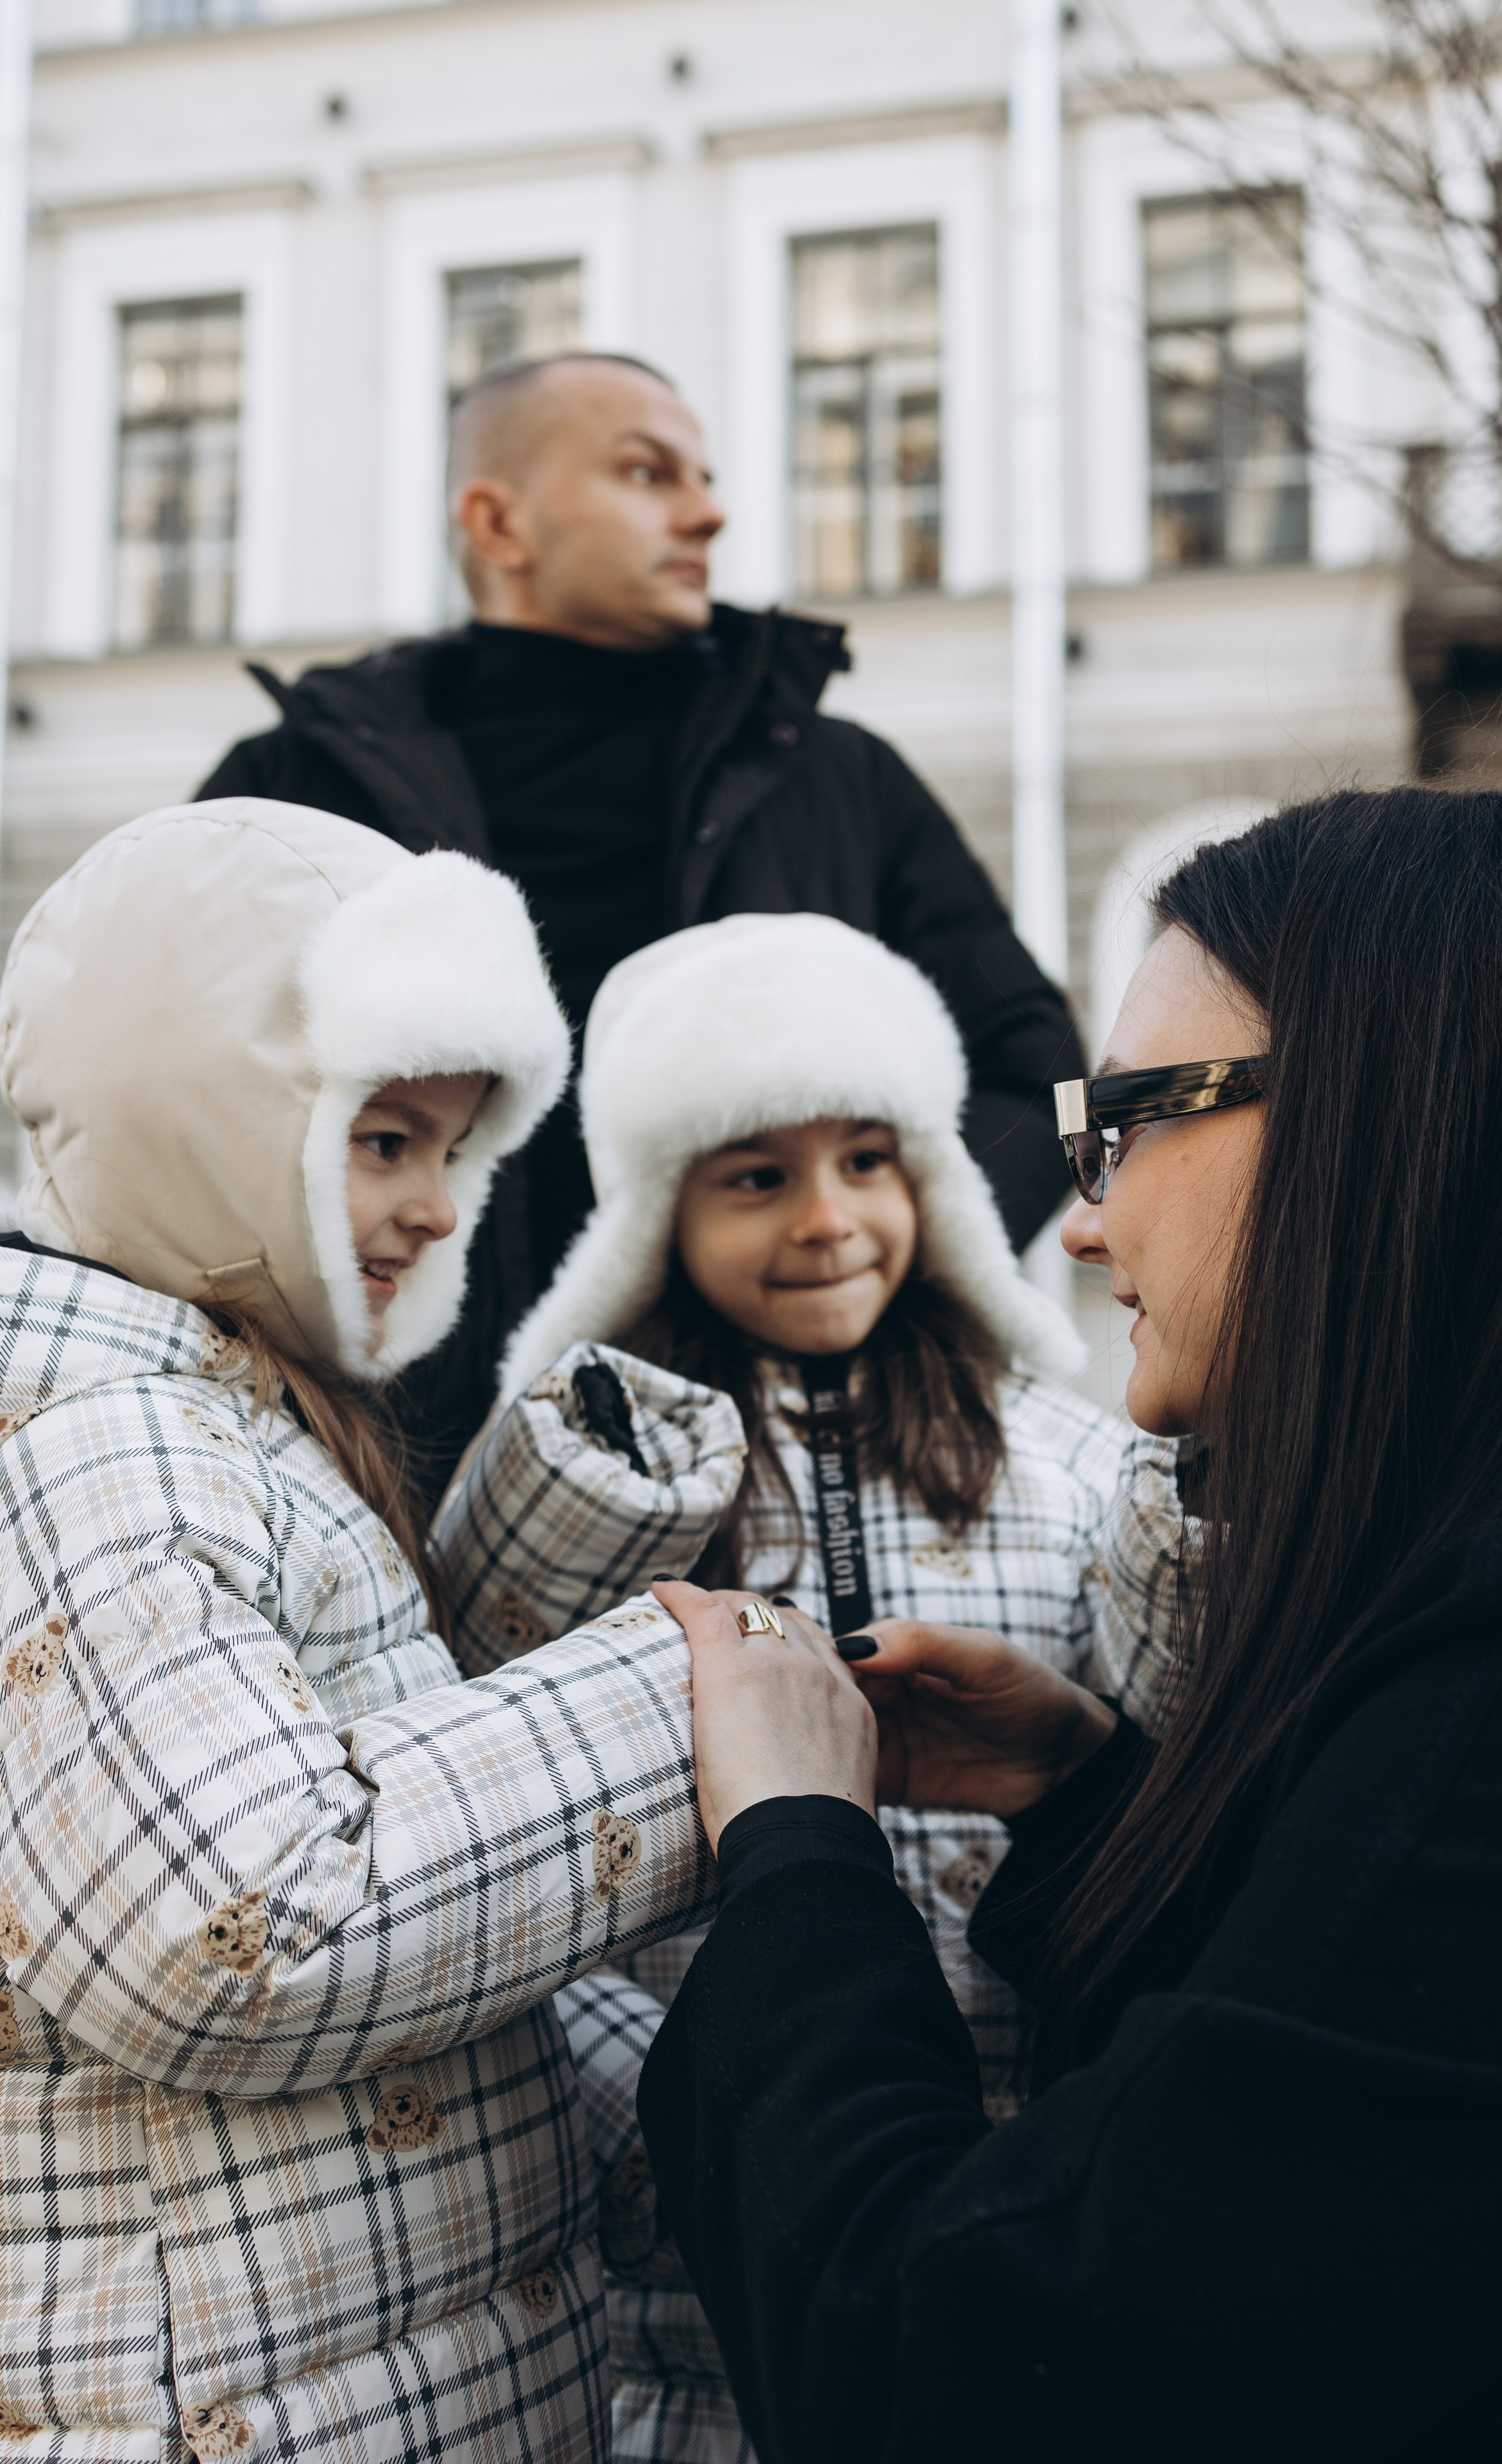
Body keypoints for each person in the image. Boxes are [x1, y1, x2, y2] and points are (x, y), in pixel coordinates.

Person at [634, 786, 1502, 2463]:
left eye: (1125, 1122)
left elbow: (960, 2383)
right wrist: (1091, 1797)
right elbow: (1315, 2177)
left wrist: (798, 1850)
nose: (1083, 1218)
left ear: (1371, 1112)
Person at [0, 796, 751, 2463]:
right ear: (204, 1112)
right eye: (382, 1138)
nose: (436, 1207)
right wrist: (693, 1695)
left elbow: (367, 1750)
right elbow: (248, 1924)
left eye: (456, 1152)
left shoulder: (240, 1417)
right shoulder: (109, 1443)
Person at [448, 911, 1185, 2464]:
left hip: (1016, 2202)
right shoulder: (590, 1482)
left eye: (866, 1159)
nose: (828, 1218)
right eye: (755, 1176)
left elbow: (1175, 1751)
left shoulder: (1065, 1455)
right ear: (654, 1208)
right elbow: (493, 1815)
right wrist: (655, 2133)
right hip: (686, 2276)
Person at [196, 352, 1084, 1492]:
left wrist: (873, 1256)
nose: (709, 513)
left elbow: (1041, 1066)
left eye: (704, 479)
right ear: (498, 523)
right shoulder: (296, 784)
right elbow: (179, 1097)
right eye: (648, 473)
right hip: (378, 1470)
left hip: (768, 1473)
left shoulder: (835, 780)